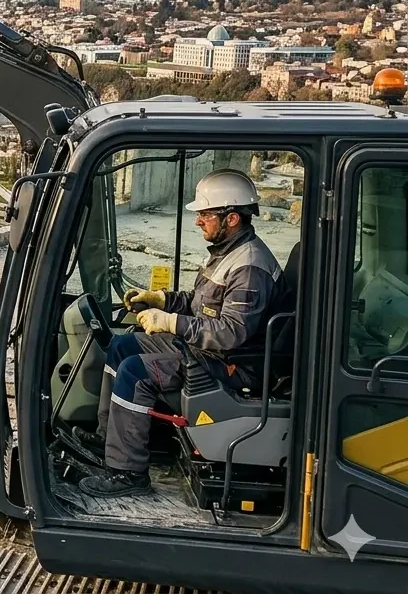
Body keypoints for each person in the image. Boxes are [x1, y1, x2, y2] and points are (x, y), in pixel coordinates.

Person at [79, 169, 282, 498]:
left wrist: (171, 322)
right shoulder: (227, 252)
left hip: (230, 364)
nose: (198, 221)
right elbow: (203, 305)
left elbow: (230, 333)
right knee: (122, 345)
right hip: (206, 347)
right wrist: (161, 300)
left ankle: (128, 473)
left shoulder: (249, 267)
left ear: (231, 218)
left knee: (134, 371)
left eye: (204, 214)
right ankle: (108, 436)